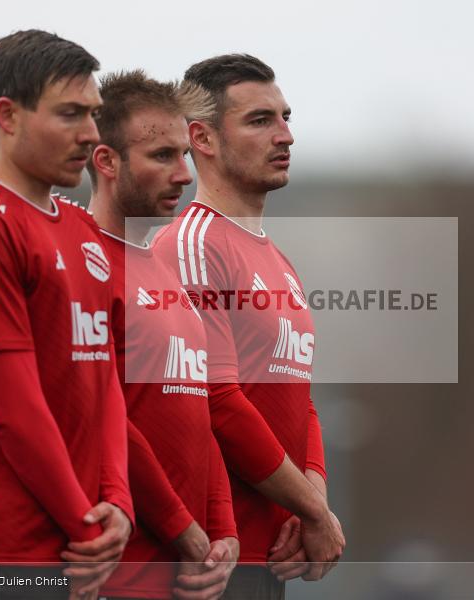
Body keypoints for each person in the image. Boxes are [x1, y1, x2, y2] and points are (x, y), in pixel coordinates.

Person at [0, 30, 133, 600]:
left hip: (77, 547)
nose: (90, 133)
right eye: (69, 114)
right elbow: (11, 405)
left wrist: (119, 502)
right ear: (8, 116)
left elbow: (105, 377)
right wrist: (86, 524)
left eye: (93, 114)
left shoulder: (83, 229)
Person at [155, 54, 345, 599]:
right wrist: (314, 512)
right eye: (260, 120)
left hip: (273, 553)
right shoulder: (192, 245)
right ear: (203, 138)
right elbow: (216, 398)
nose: (285, 135)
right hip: (211, 559)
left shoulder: (280, 262)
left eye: (286, 117)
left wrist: (311, 504)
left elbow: (299, 399)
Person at [86, 70, 238, 600]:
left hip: (191, 575)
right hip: (120, 577)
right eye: (162, 157)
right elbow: (107, 422)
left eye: (184, 156)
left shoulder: (166, 269)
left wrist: (224, 533)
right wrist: (184, 530)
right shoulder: (83, 266)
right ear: (107, 161)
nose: (183, 174)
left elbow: (201, 415)